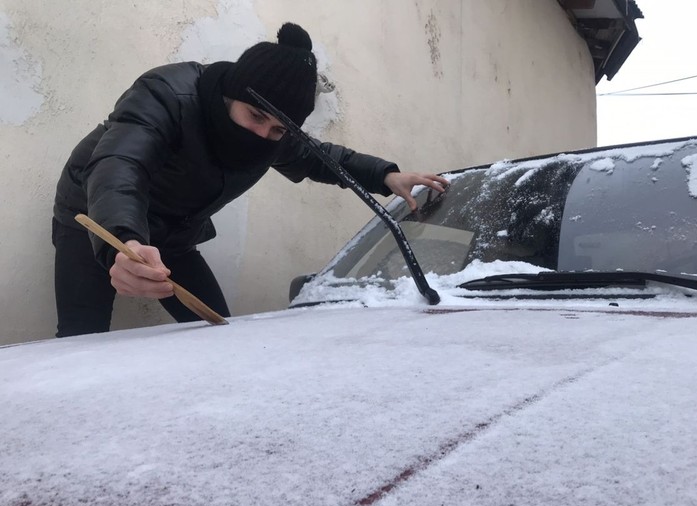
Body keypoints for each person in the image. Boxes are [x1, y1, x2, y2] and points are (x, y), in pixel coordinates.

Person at [52, 22, 448, 337]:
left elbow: (320, 157)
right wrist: (126, 241)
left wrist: (386, 175)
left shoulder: (273, 139)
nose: (262, 135)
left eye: (278, 129)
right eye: (256, 116)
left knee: (217, 331)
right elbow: (121, 163)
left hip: (173, 235)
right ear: (230, 94)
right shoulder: (168, 95)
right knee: (81, 336)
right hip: (96, 217)